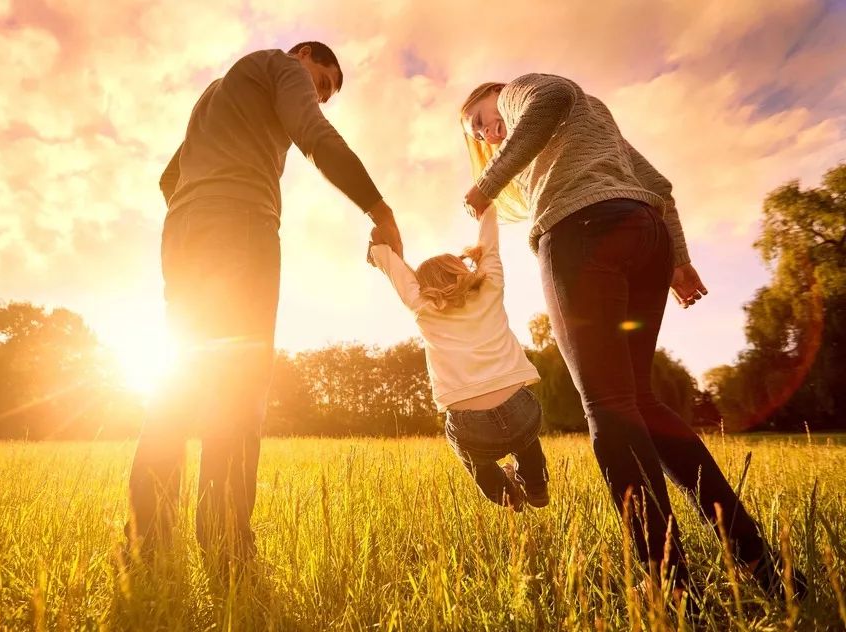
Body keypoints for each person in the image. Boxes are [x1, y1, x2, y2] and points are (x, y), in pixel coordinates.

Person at [457, 75, 806, 600]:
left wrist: (489, 181)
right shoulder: (592, 122)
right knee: (640, 401)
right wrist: (680, 261)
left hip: (581, 233)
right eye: (480, 136)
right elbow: (660, 187)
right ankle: (762, 564)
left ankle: (669, 585)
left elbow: (549, 98)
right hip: (645, 235)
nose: (488, 134)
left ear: (497, 94)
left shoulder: (524, 90)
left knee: (608, 407)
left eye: (481, 120)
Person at [129, 42, 404, 565]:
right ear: (303, 57)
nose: (318, 97)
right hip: (241, 227)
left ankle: (149, 542)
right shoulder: (281, 67)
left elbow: (170, 177)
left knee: (178, 383)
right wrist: (378, 207)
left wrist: (203, 207)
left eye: (325, 94)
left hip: (184, 231)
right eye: (320, 83)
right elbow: (315, 135)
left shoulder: (216, 93)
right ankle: (227, 546)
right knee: (237, 386)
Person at [369, 207, 547, 512]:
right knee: (526, 438)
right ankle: (535, 485)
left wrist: (380, 249)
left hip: (470, 424)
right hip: (520, 410)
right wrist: (485, 209)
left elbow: (394, 271)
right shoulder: (489, 286)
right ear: (462, 270)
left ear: (422, 287)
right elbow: (490, 244)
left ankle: (506, 494)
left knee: (470, 454)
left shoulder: (422, 306)